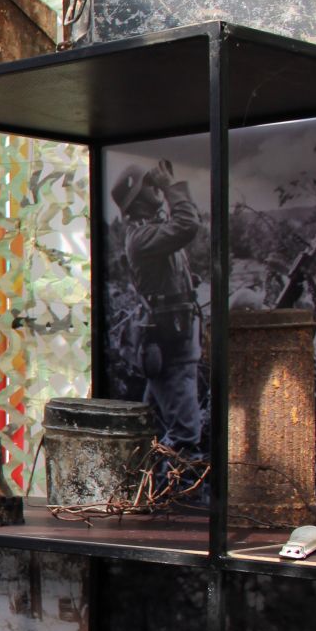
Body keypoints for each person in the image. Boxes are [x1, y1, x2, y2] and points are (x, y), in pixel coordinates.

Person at [113, 160, 203, 452]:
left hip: (174, 340)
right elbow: (188, 225)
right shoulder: (141, 238)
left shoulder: (150, 232)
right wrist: (169, 187)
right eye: (149, 185)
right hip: (171, 346)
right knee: (186, 437)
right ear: (138, 199)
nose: (156, 188)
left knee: (149, 425)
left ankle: (149, 483)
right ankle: (178, 490)